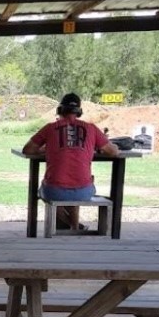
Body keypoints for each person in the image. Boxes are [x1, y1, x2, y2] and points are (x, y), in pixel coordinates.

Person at [22, 93, 121, 230]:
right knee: (78, 182)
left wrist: (46, 149)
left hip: (54, 191)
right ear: (79, 112)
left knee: (45, 192)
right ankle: (74, 226)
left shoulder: (50, 128)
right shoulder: (91, 128)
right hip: (84, 192)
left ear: (60, 110)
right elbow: (113, 151)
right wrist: (113, 145)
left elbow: (28, 149)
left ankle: (72, 225)